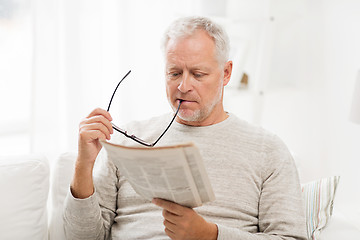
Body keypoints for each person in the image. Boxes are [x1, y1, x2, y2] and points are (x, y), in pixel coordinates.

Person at [63, 16, 307, 240]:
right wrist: (83, 165)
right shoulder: (125, 142)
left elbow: (289, 237)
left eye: (198, 74)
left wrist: (211, 235)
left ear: (226, 73)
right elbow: (82, 237)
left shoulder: (268, 150)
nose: (183, 86)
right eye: (174, 73)